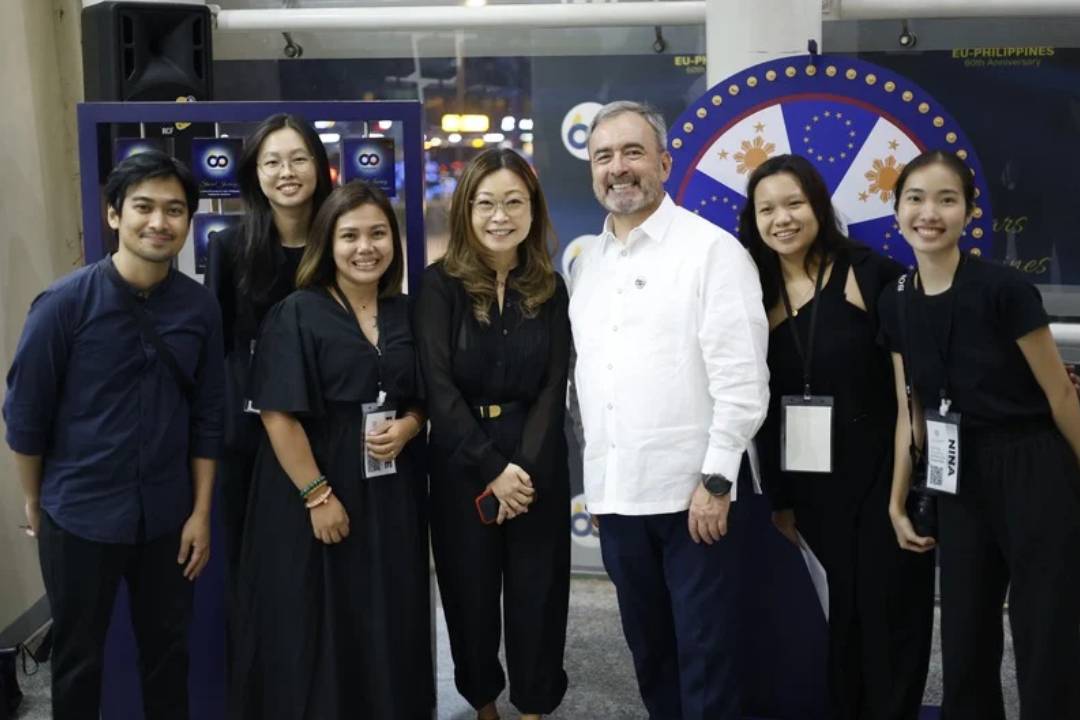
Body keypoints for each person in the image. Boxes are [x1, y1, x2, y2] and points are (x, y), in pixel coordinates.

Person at [3, 150, 225, 720]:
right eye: (143, 207)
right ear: (113, 215)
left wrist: (201, 513)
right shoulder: (63, 305)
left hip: (168, 518)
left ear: (188, 220)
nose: (159, 222)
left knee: (169, 656)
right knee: (78, 661)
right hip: (78, 514)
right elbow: (25, 417)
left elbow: (208, 417)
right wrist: (37, 502)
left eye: (174, 210)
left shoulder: (199, 308)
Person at [569, 100, 769, 719]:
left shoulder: (712, 252)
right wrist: (599, 487)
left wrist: (716, 481)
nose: (618, 168)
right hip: (618, 500)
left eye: (633, 152)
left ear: (664, 162)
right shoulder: (589, 263)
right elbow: (594, 381)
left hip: (694, 501)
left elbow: (743, 381)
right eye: (604, 156)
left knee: (708, 662)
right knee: (651, 658)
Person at [880, 150, 1080, 720]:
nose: (929, 213)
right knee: (964, 631)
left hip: (1032, 465)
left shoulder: (1004, 289)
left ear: (969, 212)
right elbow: (910, 409)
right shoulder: (895, 300)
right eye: (916, 198)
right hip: (957, 475)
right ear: (897, 210)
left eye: (947, 199)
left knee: (1046, 631)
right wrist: (897, 500)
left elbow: (1061, 396)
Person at [228, 181, 433, 720]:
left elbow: (423, 396)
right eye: (350, 236)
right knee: (318, 622)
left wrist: (410, 427)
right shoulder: (297, 312)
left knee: (386, 616)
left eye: (378, 234)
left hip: (391, 492)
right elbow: (277, 413)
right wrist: (318, 496)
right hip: (313, 490)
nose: (366, 247)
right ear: (327, 243)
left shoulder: (406, 312)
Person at [741, 154, 933, 720]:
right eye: (767, 209)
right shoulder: (750, 291)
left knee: (890, 615)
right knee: (834, 621)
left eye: (794, 204)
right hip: (805, 483)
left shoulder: (871, 275)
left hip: (882, 475)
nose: (782, 219)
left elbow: (911, 396)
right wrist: (779, 500)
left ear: (819, 207)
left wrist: (901, 494)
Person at [415, 147, 570, 720]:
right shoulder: (439, 286)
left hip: (537, 464)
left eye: (513, 202)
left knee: (539, 595)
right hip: (463, 463)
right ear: (466, 210)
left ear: (533, 209)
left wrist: (521, 471)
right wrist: (492, 469)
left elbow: (553, 386)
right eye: (486, 203)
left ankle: (532, 707)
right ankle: (484, 705)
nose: (500, 216)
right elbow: (437, 386)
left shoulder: (551, 287)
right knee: (470, 594)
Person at [204, 113, 332, 580]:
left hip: (328, 426)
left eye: (299, 159)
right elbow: (217, 347)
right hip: (250, 435)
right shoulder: (229, 247)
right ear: (255, 173)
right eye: (272, 162)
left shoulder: (341, 244)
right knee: (255, 568)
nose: (286, 172)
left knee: (325, 564)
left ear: (319, 166)